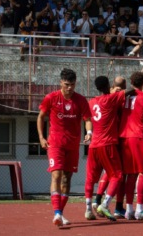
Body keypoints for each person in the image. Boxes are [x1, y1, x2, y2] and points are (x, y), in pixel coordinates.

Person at [37, 68, 92, 227]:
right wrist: (41, 137)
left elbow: (87, 118)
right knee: (56, 175)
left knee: (67, 179)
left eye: (73, 85)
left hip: (73, 145)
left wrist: (89, 132)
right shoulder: (51, 97)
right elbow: (40, 117)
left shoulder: (81, 100)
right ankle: (56, 212)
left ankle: (60, 213)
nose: (70, 88)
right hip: (55, 143)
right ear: (61, 82)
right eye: (67, 84)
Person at [84, 76, 133, 222]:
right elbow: (130, 91)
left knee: (91, 178)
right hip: (108, 143)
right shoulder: (111, 99)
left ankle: (88, 208)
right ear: (108, 85)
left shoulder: (91, 102)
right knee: (117, 175)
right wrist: (134, 87)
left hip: (93, 145)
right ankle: (105, 204)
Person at [119, 71, 143, 220]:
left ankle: (129, 209)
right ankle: (140, 209)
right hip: (138, 136)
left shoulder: (123, 96)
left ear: (131, 82)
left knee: (131, 173)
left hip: (124, 136)